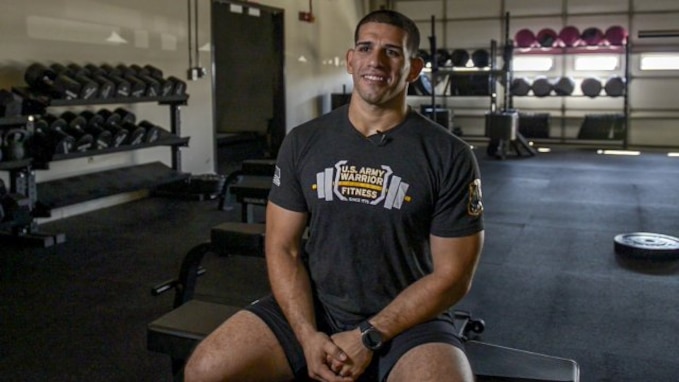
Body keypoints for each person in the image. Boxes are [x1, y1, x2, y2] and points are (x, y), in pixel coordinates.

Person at [184, 9, 484, 382]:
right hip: (318, 306)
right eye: (365, 47)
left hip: (409, 319)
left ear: (413, 69)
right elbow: (283, 247)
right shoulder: (303, 141)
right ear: (350, 60)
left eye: (392, 51)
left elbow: (453, 275)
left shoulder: (449, 155)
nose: (375, 60)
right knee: (205, 370)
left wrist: (369, 335)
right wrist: (307, 335)